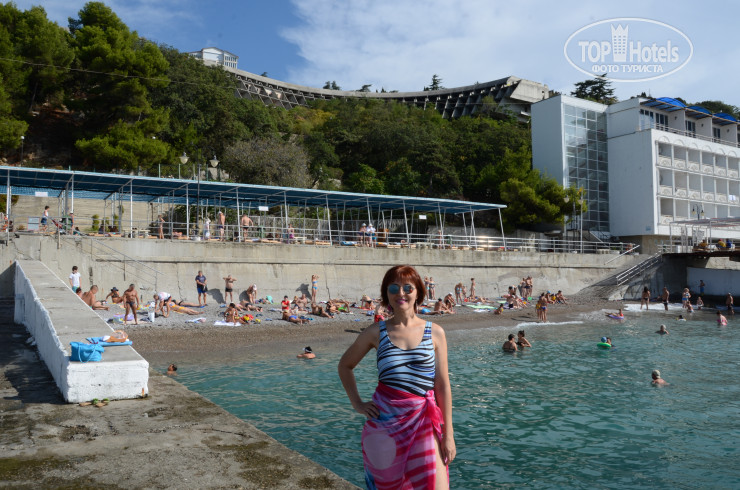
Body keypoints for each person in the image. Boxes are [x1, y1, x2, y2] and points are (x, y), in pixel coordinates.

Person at [338, 265, 455, 487]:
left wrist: (448, 434)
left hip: (425, 422)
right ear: (386, 294)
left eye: (407, 288)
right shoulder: (375, 332)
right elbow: (345, 365)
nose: (400, 293)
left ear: (418, 292)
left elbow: (442, 386)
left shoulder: (436, 332)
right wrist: (357, 403)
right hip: (386, 426)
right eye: (393, 288)